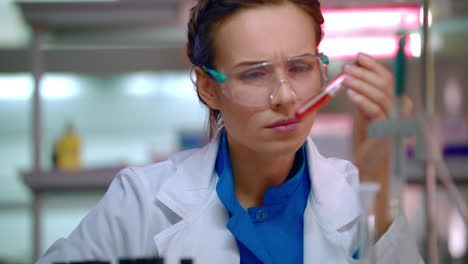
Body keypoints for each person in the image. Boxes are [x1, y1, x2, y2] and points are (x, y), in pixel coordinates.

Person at [37, 0, 423, 263]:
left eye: (300, 67)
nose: (285, 97)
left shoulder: (357, 196)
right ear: (208, 87)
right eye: (254, 73)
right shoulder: (141, 203)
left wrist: (380, 182)